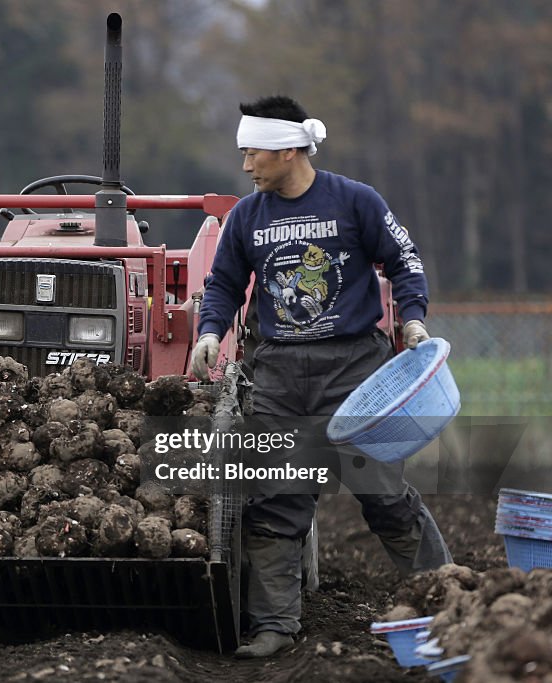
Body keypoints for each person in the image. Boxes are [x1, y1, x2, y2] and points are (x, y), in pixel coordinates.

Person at [189, 96, 452, 658]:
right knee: (278, 501)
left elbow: (404, 262)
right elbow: (222, 285)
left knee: (383, 495)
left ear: (288, 150)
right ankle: (274, 627)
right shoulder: (246, 217)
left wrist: (412, 320)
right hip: (280, 375)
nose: (245, 165)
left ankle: (449, 601)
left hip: (354, 372)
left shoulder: (355, 201)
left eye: (252, 152)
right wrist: (211, 330)